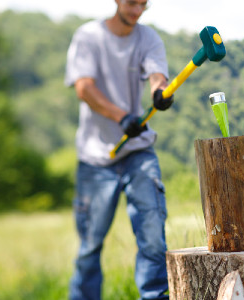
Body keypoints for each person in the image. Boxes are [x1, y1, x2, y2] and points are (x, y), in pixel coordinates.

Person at [64, 0, 174, 299]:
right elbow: (84, 88)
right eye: (130, 2)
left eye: (143, 4)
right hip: (95, 157)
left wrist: (159, 93)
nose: (136, 10)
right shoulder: (88, 36)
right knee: (90, 246)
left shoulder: (148, 37)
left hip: (138, 150)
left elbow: (156, 76)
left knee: (152, 238)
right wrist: (121, 117)